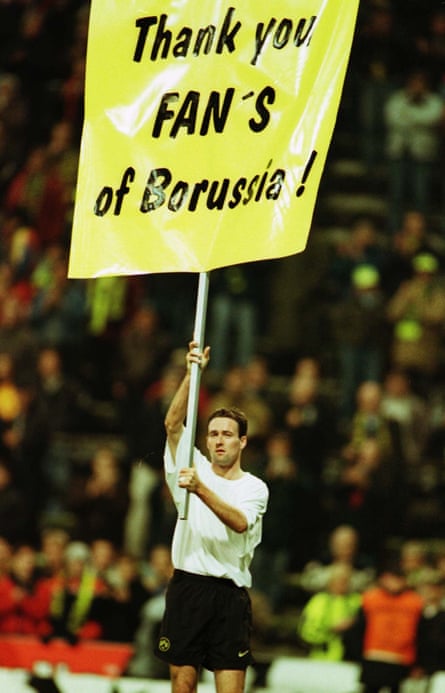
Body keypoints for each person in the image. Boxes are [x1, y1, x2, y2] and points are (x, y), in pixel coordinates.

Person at [155, 340, 269, 693]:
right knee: (183, 684)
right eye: (214, 434)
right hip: (188, 586)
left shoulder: (254, 487)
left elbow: (238, 522)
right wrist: (193, 373)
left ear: (243, 442)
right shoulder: (192, 465)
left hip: (229, 595)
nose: (219, 441)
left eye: (228, 435)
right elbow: (173, 424)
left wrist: (200, 490)